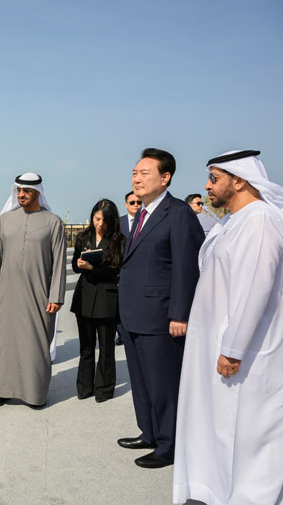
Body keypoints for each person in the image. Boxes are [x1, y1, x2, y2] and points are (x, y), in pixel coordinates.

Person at [173, 150, 283, 504]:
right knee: (224, 431)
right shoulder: (233, 222)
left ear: (239, 180)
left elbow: (254, 289)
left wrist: (233, 348)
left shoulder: (260, 221)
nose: (207, 186)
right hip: (223, 347)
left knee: (251, 438)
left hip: (248, 354)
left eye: (214, 178)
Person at [117, 148, 204, 469]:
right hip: (134, 315)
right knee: (141, 382)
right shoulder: (141, 214)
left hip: (161, 317)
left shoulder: (178, 213)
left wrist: (180, 314)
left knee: (163, 384)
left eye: (144, 173)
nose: (136, 179)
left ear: (165, 177)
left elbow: (186, 268)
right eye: (134, 173)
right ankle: (150, 432)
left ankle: (170, 444)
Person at [0, 173, 66, 408]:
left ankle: (34, 393)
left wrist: (56, 296)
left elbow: (59, 262)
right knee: (3, 342)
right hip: (7, 295)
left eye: (26, 191)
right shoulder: (5, 220)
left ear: (38, 193)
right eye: (18, 190)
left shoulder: (53, 222)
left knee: (34, 344)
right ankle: (1, 389)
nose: (21, 195)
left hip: (38, 294)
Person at [70, 199, 125, 402]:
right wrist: (79, 264)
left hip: (106, 298)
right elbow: (74, 266)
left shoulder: (119, 241)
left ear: (112, 221)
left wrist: (93, 267)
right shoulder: (83, 237)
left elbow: (115, 271)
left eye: (105, 220)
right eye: (97, 218)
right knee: (86, 347)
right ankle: (84, 388)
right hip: (84, 296)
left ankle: (104, 389)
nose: (100, 224)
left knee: (106, 347)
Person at [116, 191, 141, 346]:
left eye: (139, 202)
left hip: (141, 271)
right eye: (132, 202)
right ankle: (122, 334)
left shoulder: (148, 221)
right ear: (126, 204)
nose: (136, 205)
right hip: (121, 270)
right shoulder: (118, 223)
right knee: (120, 304)